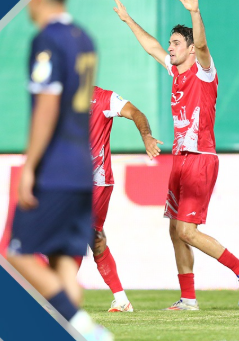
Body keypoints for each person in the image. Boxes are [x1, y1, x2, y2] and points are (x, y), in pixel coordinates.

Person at [113, 0, 239, 310]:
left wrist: (195, 12)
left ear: (191, 49)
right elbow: (151, 47)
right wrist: (128, 20)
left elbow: (203, 43)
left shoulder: (204, 72)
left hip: (199, 159)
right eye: (171, 43)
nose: (170, 47)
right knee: (174, 229)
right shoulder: (176, 72)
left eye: (177, 43)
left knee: (188, 231)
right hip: (180, 160)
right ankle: (188, 298)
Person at [6, 0, 112, 340]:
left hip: (56, 168)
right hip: (83, 168)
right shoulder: (85, 39)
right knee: (64, 263)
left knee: (18, 253)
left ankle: (87, 330)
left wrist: (29, 166)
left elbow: (47, 106)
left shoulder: (47, 39)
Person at [79, 85, 162, 312]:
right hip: (71, 181)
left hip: (97, 180)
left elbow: (135, 112)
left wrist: (146, 136)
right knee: (95, 239)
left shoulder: (104, 98)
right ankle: (122, 300)